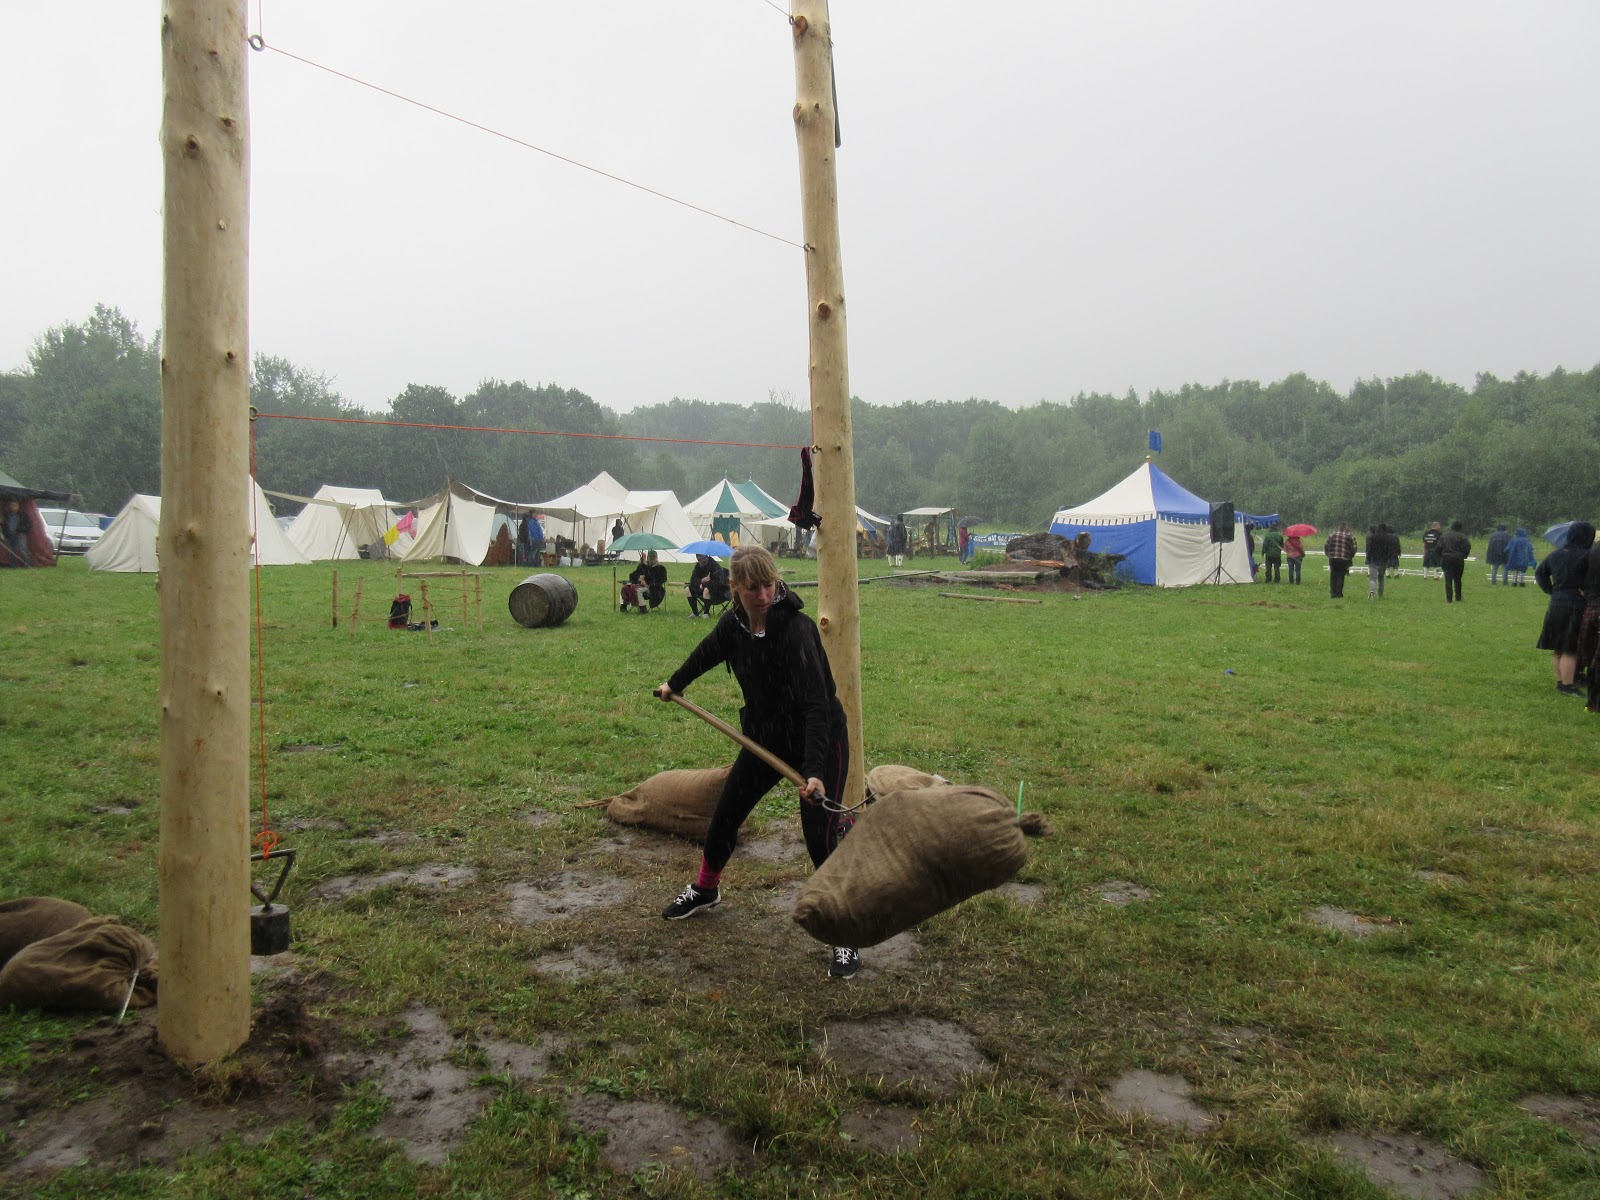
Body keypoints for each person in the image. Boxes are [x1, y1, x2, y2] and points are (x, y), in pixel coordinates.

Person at [654, 546, 859, 978]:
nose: (763, 595)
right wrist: (674, 683)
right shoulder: (733, 625)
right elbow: (707, 652)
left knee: (818, 835)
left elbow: (817, 706)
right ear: (734, 588)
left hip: (818, 741)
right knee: (726, 814)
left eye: (769, 585)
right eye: (752, 588)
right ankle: (706, 888)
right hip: (765, 740)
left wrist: (816, 771)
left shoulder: (797, 630)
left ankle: (844, 928)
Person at [1535, 521, 1593, 696]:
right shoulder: (1587, 556)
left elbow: (1540, 573)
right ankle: (1568, 685)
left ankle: (1561, 681)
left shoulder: (1555, 554)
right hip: (1576, 603)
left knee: (1558, 646)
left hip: (1556, 602)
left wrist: (1551, 590)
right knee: (1570, 648)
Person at [686, 553, 730, 617]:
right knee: (688, 589)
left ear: (707, 557)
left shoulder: (715, 566)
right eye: (699, 560)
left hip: (718, 593)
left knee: (706, 589)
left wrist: (705, 584)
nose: (702, 561)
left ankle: (706, 614)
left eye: (703, 559)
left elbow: (720, 582)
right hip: (702, 591)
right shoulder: (698, 566)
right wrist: (701, 581)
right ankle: (695, 613)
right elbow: (692, 580)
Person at [1438, 520, 1471, 603]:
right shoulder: (1462, 537)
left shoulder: (1444, 536)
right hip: (1458, 559)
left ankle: (1449, 598)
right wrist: (1464, 556)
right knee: (1458, 579)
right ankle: (1458, 597)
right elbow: (1467, 547)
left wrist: (1441, 556)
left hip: (1446, 558)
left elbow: (1438, 547)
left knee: (1448, 579)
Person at [1366, 523, 1398, 598]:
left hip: (1373, 560)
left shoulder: (1373, 537)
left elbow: (1369, 548)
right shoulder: (1387, 538)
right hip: (1383, 561)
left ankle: (1372, 591)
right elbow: (1388, 550)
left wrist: (1368, 558)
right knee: (1381, 578)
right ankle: (1380, 594)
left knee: (1373, 578)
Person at [1324, 523, 1355, 598]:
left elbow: (1326, 545)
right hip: (1344, 559)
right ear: (1345, 527)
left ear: (1339, 527)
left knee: (1333, 575)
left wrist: (1328, 554)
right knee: (1341, 575)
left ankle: (1333, 592)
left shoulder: (1332, 535)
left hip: (1333, 558)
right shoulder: (1350, 536)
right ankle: (1339, 593)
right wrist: (1350, 556)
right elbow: (1354, 548)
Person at [2, 499, 32, 567]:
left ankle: (27, 564)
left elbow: (28, 524)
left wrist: (21, 530)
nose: (13, 507)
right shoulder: (7, 515)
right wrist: (5, 533)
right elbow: (4, 525)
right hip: (10, 535)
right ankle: (13, 565)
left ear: (18, 506)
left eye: (15, 505)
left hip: (20, 534)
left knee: (23, 549)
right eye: (12, 505)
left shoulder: (23, 515)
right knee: (11, 551)